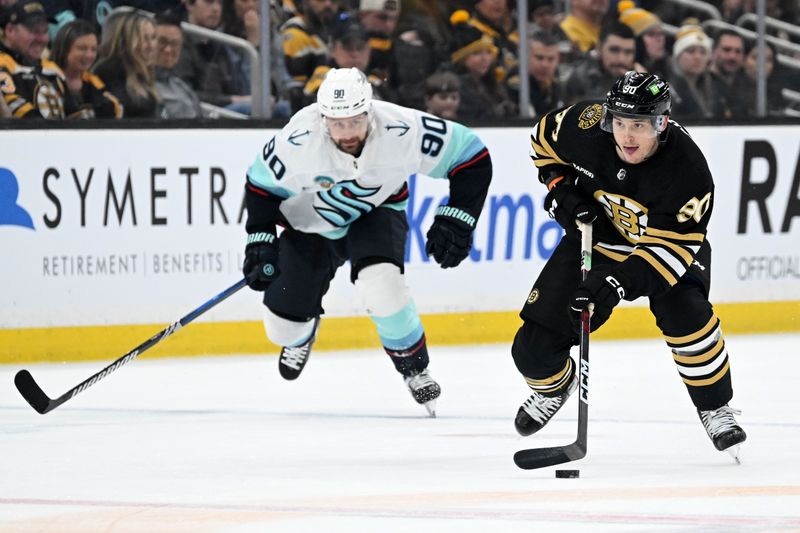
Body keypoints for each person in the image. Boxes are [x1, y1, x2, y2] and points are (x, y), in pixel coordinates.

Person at [513, 71, 747, 460]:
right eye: (619, 123)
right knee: (531, 353)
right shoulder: (585, 126)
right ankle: (556, 387)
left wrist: (615, 284)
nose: (626, 135)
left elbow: (670, 253)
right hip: (597, 237)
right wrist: (563, 193)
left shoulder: (688, 170)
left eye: (638, 125)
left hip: (664, 248)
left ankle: (714, 406)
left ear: (662, 122)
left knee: (686, 314)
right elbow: (542, 142)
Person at [242, 67, 492, 416]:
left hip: (376, 212)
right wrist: (260, 239)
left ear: (370, 111)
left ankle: (414, 368)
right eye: (337, 122)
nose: (347, 133)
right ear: (322, 117)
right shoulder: (296, 142)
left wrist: (460, 216)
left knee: (383, 286)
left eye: (355, 121)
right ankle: (300, 335)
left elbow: (472, 156)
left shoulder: (401, 128)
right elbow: (260, 188)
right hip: (309, 227)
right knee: (280, 329)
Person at [0, 0, 74, 119]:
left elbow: (74, 114)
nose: (42, 39)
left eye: (45, 31)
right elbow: (17, 110)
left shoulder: (52, 69)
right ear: (10, 30)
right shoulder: (2, 64)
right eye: (34, 31)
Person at [50, 19, 123, 119]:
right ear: (64, 49)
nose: (89, 55)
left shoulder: (95, 84)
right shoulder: (46, 79)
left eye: (93, 49)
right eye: (82, 48)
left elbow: (116, 113)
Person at [93, 9, 159, 118]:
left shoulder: (144, 75)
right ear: (128, 41)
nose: (151, 46)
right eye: (144, 39)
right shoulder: (108, 73)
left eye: (153, 38)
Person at [153, 9, 201, 118]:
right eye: (162, 42)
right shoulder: (140, 88)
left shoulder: (183, 88)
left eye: (174, 43)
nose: (168, 49)